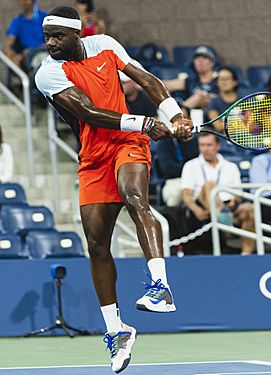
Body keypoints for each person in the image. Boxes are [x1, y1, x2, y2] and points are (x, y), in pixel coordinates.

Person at [35, 6, 192, 374]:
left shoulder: (104, 44)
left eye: (58, 36)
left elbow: (146, 78)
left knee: (136, 197)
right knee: (96, 243)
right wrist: (145, 120)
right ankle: (116, 331)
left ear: (77, 34)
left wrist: (176, 115)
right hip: (93, 156)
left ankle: (160, 286)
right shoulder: (48, 72)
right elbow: (88, 112)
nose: (51, 43)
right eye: (47, 37)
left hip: (128, 144)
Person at [180, 133, 254, 255]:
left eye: (209, 145)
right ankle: (221, 219)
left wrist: (234, 201)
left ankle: (246, 253)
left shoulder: (230, 166)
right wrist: (196, 209)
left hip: (229, 208)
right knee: (210, 185)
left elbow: (239, 194)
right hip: (204, 208)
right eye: (202, 145)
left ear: (218, 146)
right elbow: (186, 194)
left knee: (249, 209)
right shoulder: (191, 165)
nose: (205, 149)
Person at [164, 46, 219, 113]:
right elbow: (165, 85)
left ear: (212, 62)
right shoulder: (191, 80)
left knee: (201, 96)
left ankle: (180, 113)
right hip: (194, 115)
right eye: (196, 58)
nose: (200, 61)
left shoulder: (219, 79)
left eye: (204, 58)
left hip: (215, 113)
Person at [4, 0, 47, 71]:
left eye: (27, 0)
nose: (24, 2)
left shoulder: (44, 18)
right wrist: (13, 56)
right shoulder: (17, 22)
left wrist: (33, 51)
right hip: (24, 59)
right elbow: (8, 45)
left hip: (42, 54)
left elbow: (50, 41)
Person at [157, 136, 198, 207]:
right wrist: (189, 169)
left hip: (195, 180)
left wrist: (188, 142)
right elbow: (168, 169)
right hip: (174, 180)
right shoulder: (164, 142)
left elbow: (199, 164)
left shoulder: (194, 141)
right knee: (176, 193)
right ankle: (173, 217)